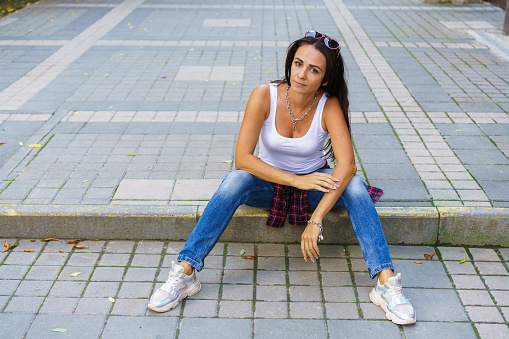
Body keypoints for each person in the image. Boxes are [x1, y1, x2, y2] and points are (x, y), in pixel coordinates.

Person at [148, 31, 416, 325]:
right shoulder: (264, 95)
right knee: (235, 180)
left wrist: (316, 220)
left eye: (314, 70)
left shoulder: (329, 104)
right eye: (298, 64)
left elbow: (347, 165)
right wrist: (295, 179)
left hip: (313, 188)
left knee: (353, 185)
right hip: (270, 186)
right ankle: (186, 272)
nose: (302, 74)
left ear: (325, 79)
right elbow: (244, 159)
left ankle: (385, 282)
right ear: (290, 63)